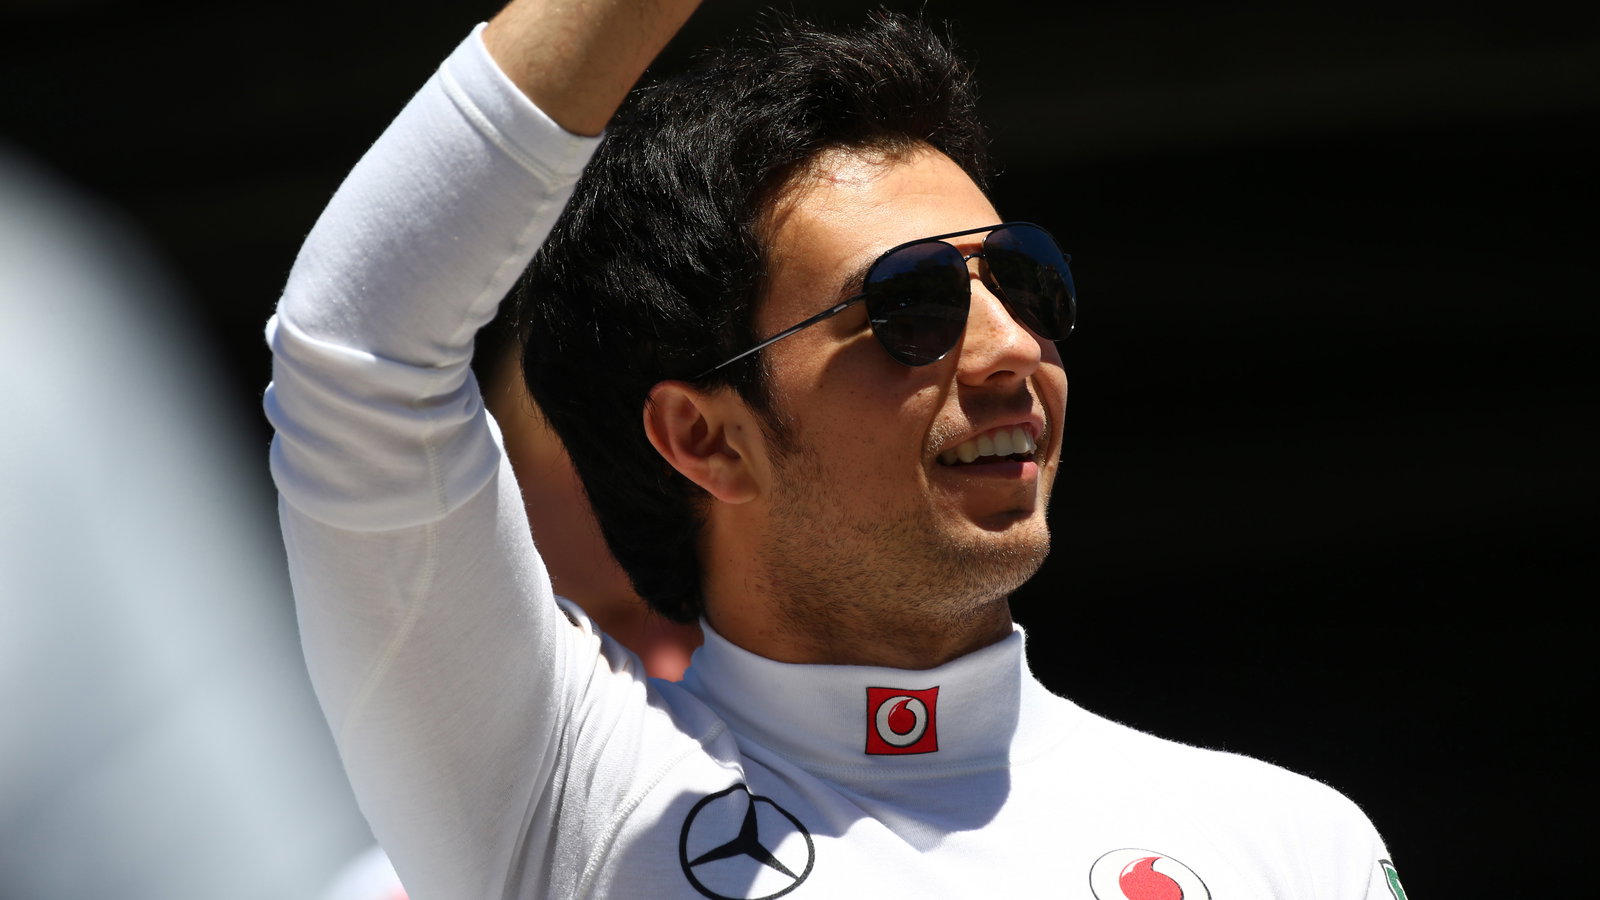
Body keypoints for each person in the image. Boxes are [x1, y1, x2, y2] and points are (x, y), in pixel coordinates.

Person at [265, 1, 1406, 897]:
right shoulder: (568, 797)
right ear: (705, 438)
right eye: (911, 308)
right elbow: (353, 346)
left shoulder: (1290, 845)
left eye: (1019, 280)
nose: (1011, 347)